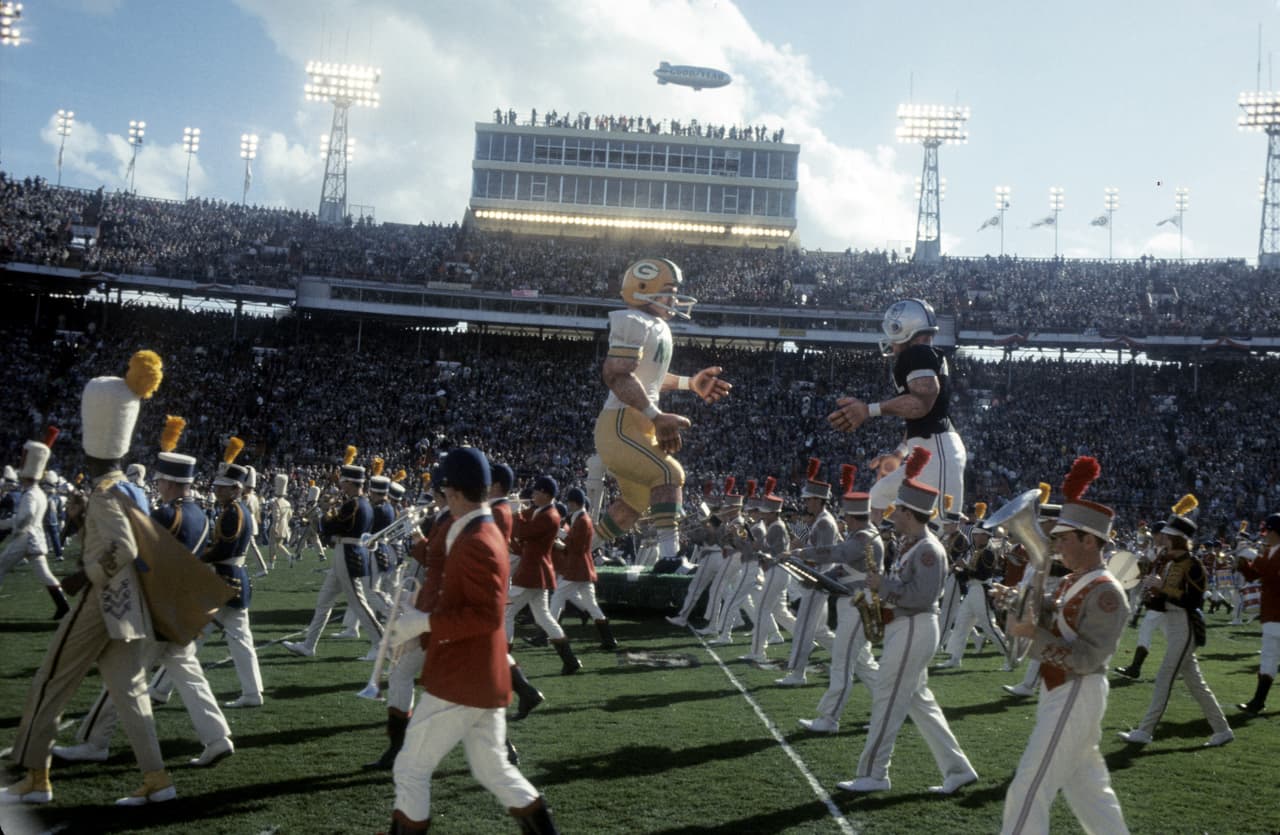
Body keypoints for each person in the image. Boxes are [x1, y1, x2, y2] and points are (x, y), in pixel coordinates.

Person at [1, 350, 176, 807]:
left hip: (101, 599)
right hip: (127, 607)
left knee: (50, 680)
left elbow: (124, 548)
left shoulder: (103, 492)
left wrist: (85, 575)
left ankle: (35, 777)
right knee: (130, 694)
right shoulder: (124, 486)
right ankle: (158, 778)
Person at [383, 447, 560, 834]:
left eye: (443, 491)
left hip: (463, 674)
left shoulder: (477, 537)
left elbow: (484, 616)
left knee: (411, 767)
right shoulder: (476, 529)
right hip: (479, 674)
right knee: (493, 768)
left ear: (455, 492)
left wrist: (422, 622)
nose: (441, 498)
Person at [55, 415, 234, 767]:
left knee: (123, 677)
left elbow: (130, 548)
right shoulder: (199, 513)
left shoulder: (170, 514)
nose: (160, 486)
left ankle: (93, 741)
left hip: (158, 608)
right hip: (179, 608)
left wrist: (84, 522)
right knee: (188, 674)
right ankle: (217, 737)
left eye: (162, 481)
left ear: (168, 482)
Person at [837, 446, 977, 796]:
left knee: (887, 699)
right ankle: (958, 769)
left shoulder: (928, 550)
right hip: (908, 627)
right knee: (920, 702)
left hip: (915, 626)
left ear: (911, 514)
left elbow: (921, 597)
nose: (892, 513)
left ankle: (874, 773)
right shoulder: (911, 544)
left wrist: (881, 585)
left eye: (898, 509)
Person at [1000, 456, 1129, 834]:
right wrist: (1016, 601)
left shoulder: (1106, 591)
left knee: (1029, 787)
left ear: (1090, 541)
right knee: (1090, 792)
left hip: (1076, 689)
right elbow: (1056, 619)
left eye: (1062, 539)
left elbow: (1088, 658)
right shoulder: (1078, 579)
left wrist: (1030, 635)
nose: (1054, 546)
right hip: (1062, 689)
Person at [590, 258, 730, 573]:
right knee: (669, 474)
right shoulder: (632, 320)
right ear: (642, 289)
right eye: (668, 291)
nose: (674, 299)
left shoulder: (656, 326)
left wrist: (689, 383)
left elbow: (648, 378)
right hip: (620, 424)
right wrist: (655, 415)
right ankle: (670, 558)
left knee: (633, 505)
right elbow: (616, 375)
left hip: (637, 424)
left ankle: (578, 552)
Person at [828, 298, 966, 521]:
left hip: (937, 452)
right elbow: (919, 415)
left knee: (940, 528)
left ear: (903, 328)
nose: (891, 344)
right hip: (927, 449)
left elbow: (921, 404)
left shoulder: (917, 354)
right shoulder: (924, 355)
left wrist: (868, 410)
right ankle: (873, 552)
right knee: (878, 496)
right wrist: (899, 454)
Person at [1118, 498, 1233, 747]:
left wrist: (1163, 588)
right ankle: (1222, 729)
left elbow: (1193, 600)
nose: (1162, 541)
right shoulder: (1171, 563)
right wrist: (1151, 593)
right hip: (1173, 624)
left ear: (1177, 540)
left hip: (1185, 624)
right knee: (1195, 683)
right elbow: (1163, 602)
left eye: (1167, 538)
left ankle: (1145, 731)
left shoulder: (1193, 565)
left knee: (1164, 677)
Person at [795, 474, 883, 734]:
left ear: (854, 517)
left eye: (846, 516)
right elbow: (844, 569)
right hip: (854, 605)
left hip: (859, 606)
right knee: (865, 666)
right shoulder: (861, 535)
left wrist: (802, 553)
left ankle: (829, 719)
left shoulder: (864, 538)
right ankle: (891, 709)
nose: (844, 520)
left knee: (842, 662)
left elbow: (837, 553)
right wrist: (818, 579)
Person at [284, 446, 382, 659]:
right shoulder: (359, 503)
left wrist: (322, 513)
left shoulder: (354, 505)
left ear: (349, 482)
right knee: (324, 601)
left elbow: (330, 527)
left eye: (343, 482)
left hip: (348, 552)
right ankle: (309, 645)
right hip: (345, 550)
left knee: (357, 601)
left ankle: (381, 643)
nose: (340, 485)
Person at [203, 438, 266, 709]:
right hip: (230, 576)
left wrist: (198, 556)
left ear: (235, 490)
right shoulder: (235, 509)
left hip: (224, 578)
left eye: (223, 487)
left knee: (193, 636)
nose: (217, 490)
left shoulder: (233, 513)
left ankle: (159, 690)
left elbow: (223, 546)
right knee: (238, 639)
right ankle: (252, 692)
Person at [507, 475, 581, 675]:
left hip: (533, 571)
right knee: (544, 617)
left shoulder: (550, 515)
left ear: (546, 494)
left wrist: (516, 513)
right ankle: (570, 660)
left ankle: (504, 659)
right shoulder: (544, 511)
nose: (532, 495)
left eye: (537, 491)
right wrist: (517, 507)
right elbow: (527, 522)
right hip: (537, 571)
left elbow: (522, 532)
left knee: (506, 613)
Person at [777, 459, 839, 686]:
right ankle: (852, 658)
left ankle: (797, 673)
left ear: (818, 500)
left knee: (803, 628)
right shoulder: (819, 521)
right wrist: (794, 550)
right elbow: (805, 543)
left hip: (818, 580)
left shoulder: (824, 522)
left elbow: (822, 554)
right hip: (816, 579)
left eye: (808, 499)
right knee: (820, 631)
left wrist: (797, 554)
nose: (805, 503)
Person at [0, 428, 69, 618]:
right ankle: (62, 605)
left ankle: (63, 606)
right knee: (45, 574)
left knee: (1, 566)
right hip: (36, 538)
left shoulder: (30, 494)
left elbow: (25, 517)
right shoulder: (39, 493)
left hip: (24, 537)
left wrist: (15, 527)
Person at [548, 487, 618, 650]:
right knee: (591, 605)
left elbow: (576, 546)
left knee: (558, 597)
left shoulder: (581, 520)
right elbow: (576, 545)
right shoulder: (582, 518)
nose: (569, 506)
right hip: (582, 567)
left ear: (574, 503)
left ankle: (547, 632)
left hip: (577, 568)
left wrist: (561, 539)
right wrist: (563, 543)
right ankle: (608, 639)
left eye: (570, 502)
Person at [1236, 513, 1280, 714]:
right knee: (1268, 657)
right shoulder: (1269, 551)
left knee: (1270, 656)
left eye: (1267, 530)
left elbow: (1272, 575)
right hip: (1271, 612)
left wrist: (1254, 557)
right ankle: (1258, 701)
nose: (1264, 534)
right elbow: (1255, 575)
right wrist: (1242, 562)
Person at [266, 472, 293, 570]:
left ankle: (271, 563)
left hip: (276, 526)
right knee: (278, 545)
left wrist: (275, 526)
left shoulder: (276, 503)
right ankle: (288, 556)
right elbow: (290, 515)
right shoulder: (287, 502)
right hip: (284, 526)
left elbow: (276, 517)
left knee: (272, 545)